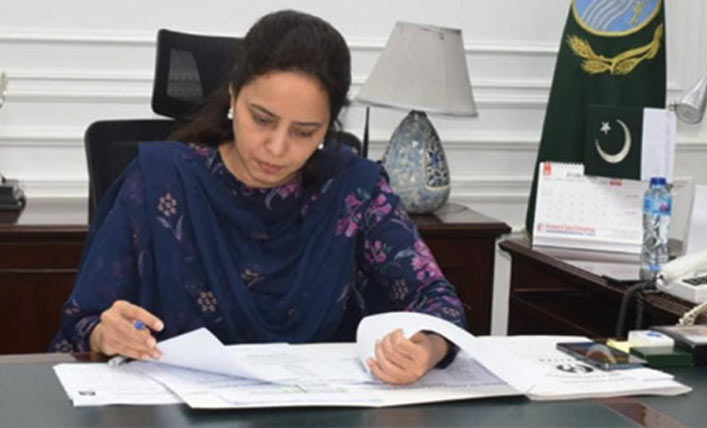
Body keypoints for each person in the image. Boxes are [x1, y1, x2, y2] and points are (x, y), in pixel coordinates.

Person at [51, 10, 466, 385]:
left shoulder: (355, 190)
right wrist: (107, 333)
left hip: (315, 410)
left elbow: (437, 300)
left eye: (304, 132)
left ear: (328, 127)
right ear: (233, 96)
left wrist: (426, 349)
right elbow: (84, 321)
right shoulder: (159, 181)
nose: (276, 148)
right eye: (262, 119)